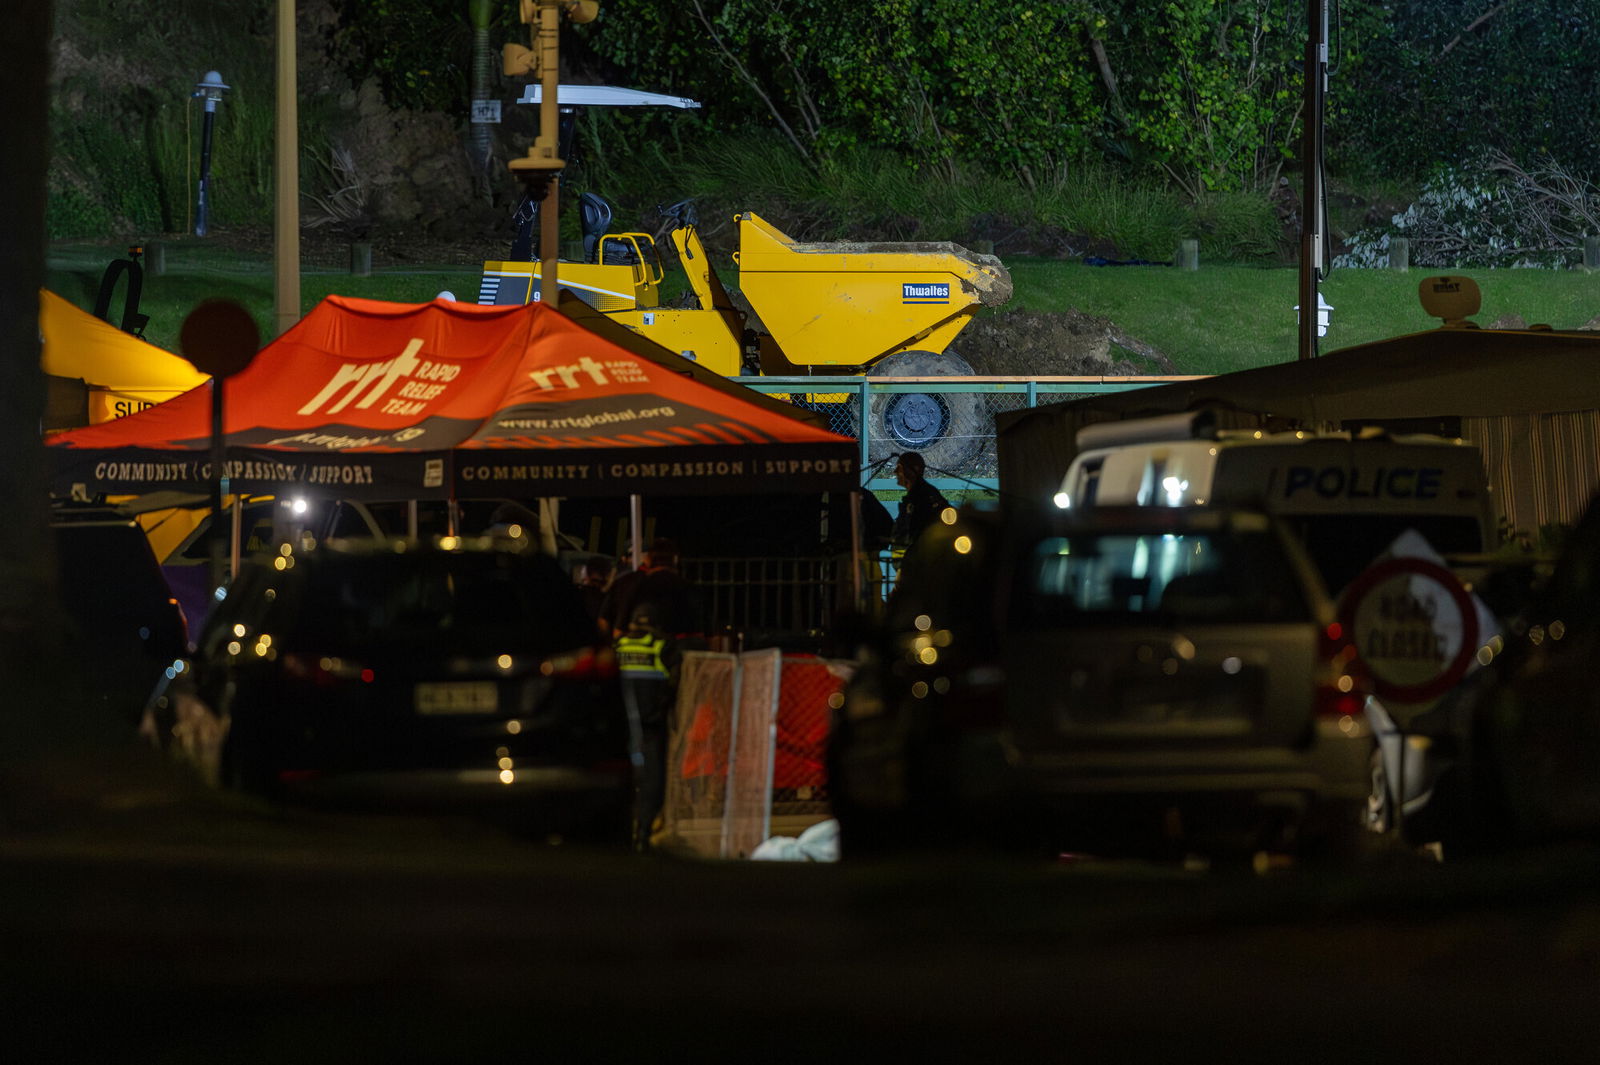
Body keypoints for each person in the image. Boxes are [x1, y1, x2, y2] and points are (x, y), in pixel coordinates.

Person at [602, 538, 703, 850]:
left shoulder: (617, 643)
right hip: (652, 719)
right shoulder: (664, 644)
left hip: (620, 720)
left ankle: (621, 829)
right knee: (654, 773)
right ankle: (645, 830)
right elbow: (676, 675)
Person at [890, 451, 950, 548]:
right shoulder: (923, 493)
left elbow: (914, 531)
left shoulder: (921, 497)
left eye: (899, 468)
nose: (895, 471)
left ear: (914, 470)